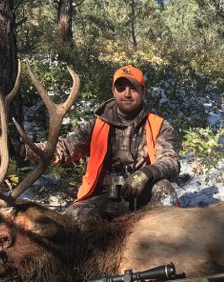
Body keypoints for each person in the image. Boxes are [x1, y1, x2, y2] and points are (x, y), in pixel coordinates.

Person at [24, 65, 180, 221]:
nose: (127, 94)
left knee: (163, 191)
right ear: (113, 91)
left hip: (142, 195)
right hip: (104, 198)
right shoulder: (96, 125)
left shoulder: (158, 125)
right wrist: (25, 150)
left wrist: (145, 174)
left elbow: (170, 160)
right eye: (121, 88)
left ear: (143, 92)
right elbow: (65, 148)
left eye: (133, 88)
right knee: (73, 218)